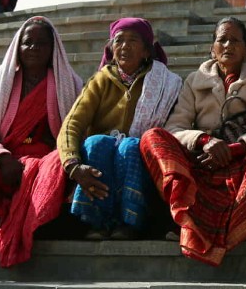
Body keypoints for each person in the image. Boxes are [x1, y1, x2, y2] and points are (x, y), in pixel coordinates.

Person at [140, 18, 246, 266]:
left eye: (235, 40)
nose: (227, 45)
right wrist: (204, 140)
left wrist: (237, 147)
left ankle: (245, 219)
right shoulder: (194, 80)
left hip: (244, 162)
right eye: (221, 39)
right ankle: (189, 219)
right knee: (152, 138)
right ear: (212, 47)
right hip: (203, 162)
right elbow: (175, 127)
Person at [0, 16, 82, 250]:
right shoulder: (2, 82)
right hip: (5, 164)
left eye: (42, 44)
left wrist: (52, 155)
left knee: (58, 164)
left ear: (53, 49)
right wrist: (1, 156)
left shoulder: (69, 83)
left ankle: (35, 219)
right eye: (28, 42)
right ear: (17, 47)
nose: (34, 48)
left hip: (46, 162)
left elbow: (78, 128)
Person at [57, 18, 182, 241]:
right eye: (119, 40)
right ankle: (97, 222)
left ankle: (130, 222)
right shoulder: (100, 81)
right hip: (101, 155)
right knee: (97, 142)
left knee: (130, 145)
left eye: (132, 40)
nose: (124, 46)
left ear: (146, 50)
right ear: (111, 49)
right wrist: (72, 164)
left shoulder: (165, 83)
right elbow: (72, 123)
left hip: (139, 155)